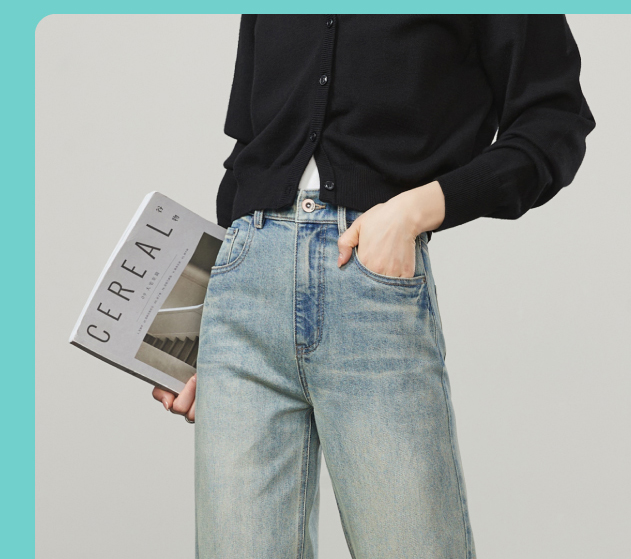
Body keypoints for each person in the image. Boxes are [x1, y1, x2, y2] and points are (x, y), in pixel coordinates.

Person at [153, 14, 595, 558]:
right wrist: (200, 337)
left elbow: (555, 120)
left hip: (369, 284)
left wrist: (417, 209)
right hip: (242, 294)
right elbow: (252, 147)